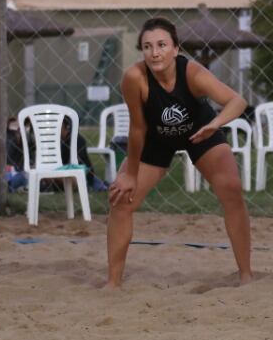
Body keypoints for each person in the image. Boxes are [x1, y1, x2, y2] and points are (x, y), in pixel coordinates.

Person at [106, 17, 253, 288]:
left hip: (200, 131)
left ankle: (245, 275)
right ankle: (113, 283)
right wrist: (131, 175)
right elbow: (137, 129)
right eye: (148, 46)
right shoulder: (134, 78)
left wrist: (215, 124)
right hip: (156, 138)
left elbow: (237, 101)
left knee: (231, 189)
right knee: (120, 199)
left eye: (162, 44)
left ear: (176, 49)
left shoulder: (193, 73)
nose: (155, 52)